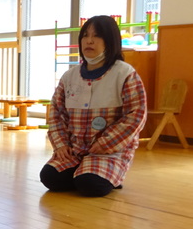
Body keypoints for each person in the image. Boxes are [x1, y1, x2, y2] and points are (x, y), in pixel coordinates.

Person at [40, 15, 147, 197]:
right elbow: (56, 114)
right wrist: (61, 145)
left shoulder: (124, 73)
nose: (89, 41)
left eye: (97, 36)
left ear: (110, 41)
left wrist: (105, 143)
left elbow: (136, 115)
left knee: (90, 185)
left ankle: (102, 175)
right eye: (85, 36)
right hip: (74, 149)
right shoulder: (70, 76)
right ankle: (82, 171)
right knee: (50, 178)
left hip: (108, 152)